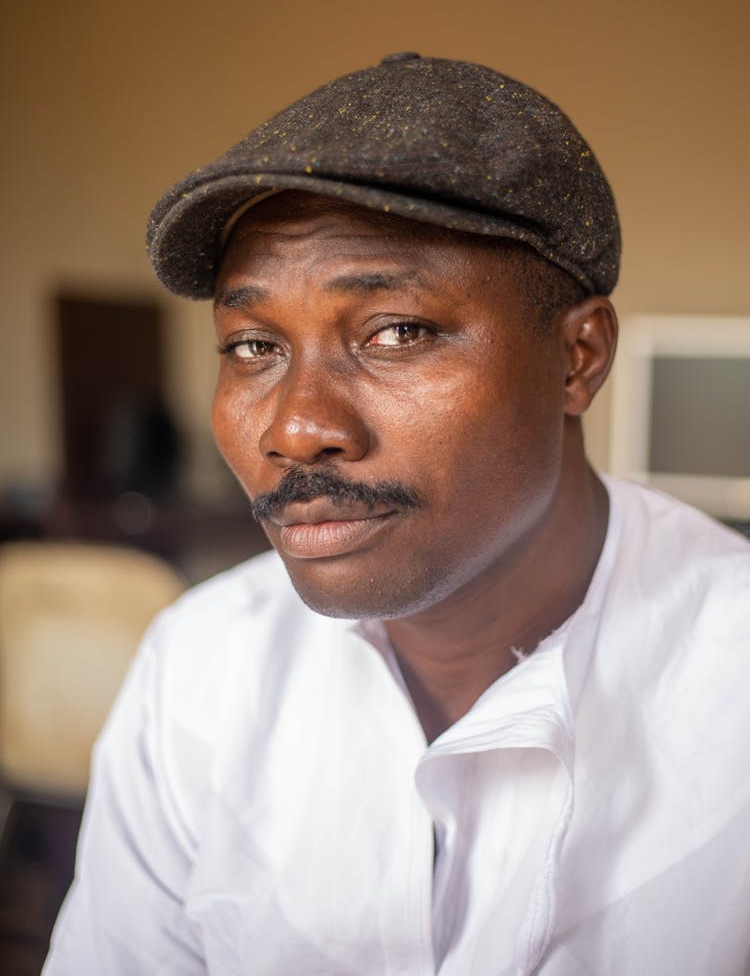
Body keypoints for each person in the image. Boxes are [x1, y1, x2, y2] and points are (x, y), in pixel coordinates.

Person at [44, 54, 750, 975]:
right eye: (253, 345)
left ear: (577, 358)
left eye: (396, 333)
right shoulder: (202, 669)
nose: (296, 429)